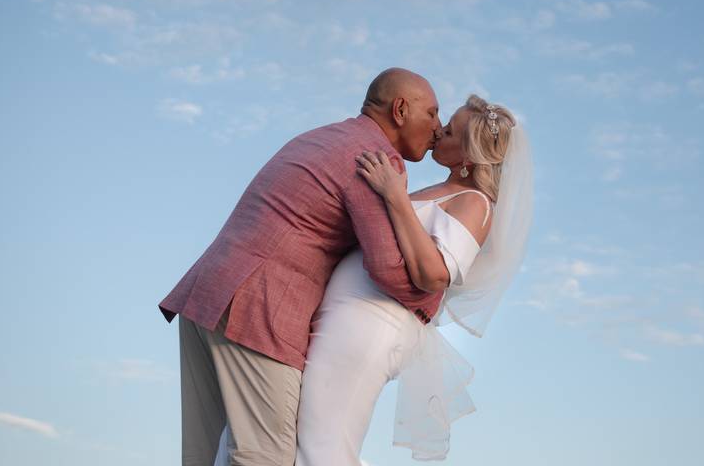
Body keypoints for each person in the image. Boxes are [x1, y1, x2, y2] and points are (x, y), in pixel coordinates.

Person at [214, 94, 534, 465]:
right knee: (282, 429)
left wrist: (395, 197)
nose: (437, 131)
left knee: (323, 443)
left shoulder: (474, 203)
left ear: (467, 154)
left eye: (448, 131)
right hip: (342, 317)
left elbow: (435, 274)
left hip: (371, 325)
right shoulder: (438, 192)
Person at [158, 67, 444, 466]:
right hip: (257, 309)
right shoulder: (379, 160)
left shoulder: (327, 136)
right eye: (431, 113)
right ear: (400, 110)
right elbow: (386, 268)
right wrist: (436, 291)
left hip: (207, 294)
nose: (438, 129)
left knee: (203, 457)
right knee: (265, 456)